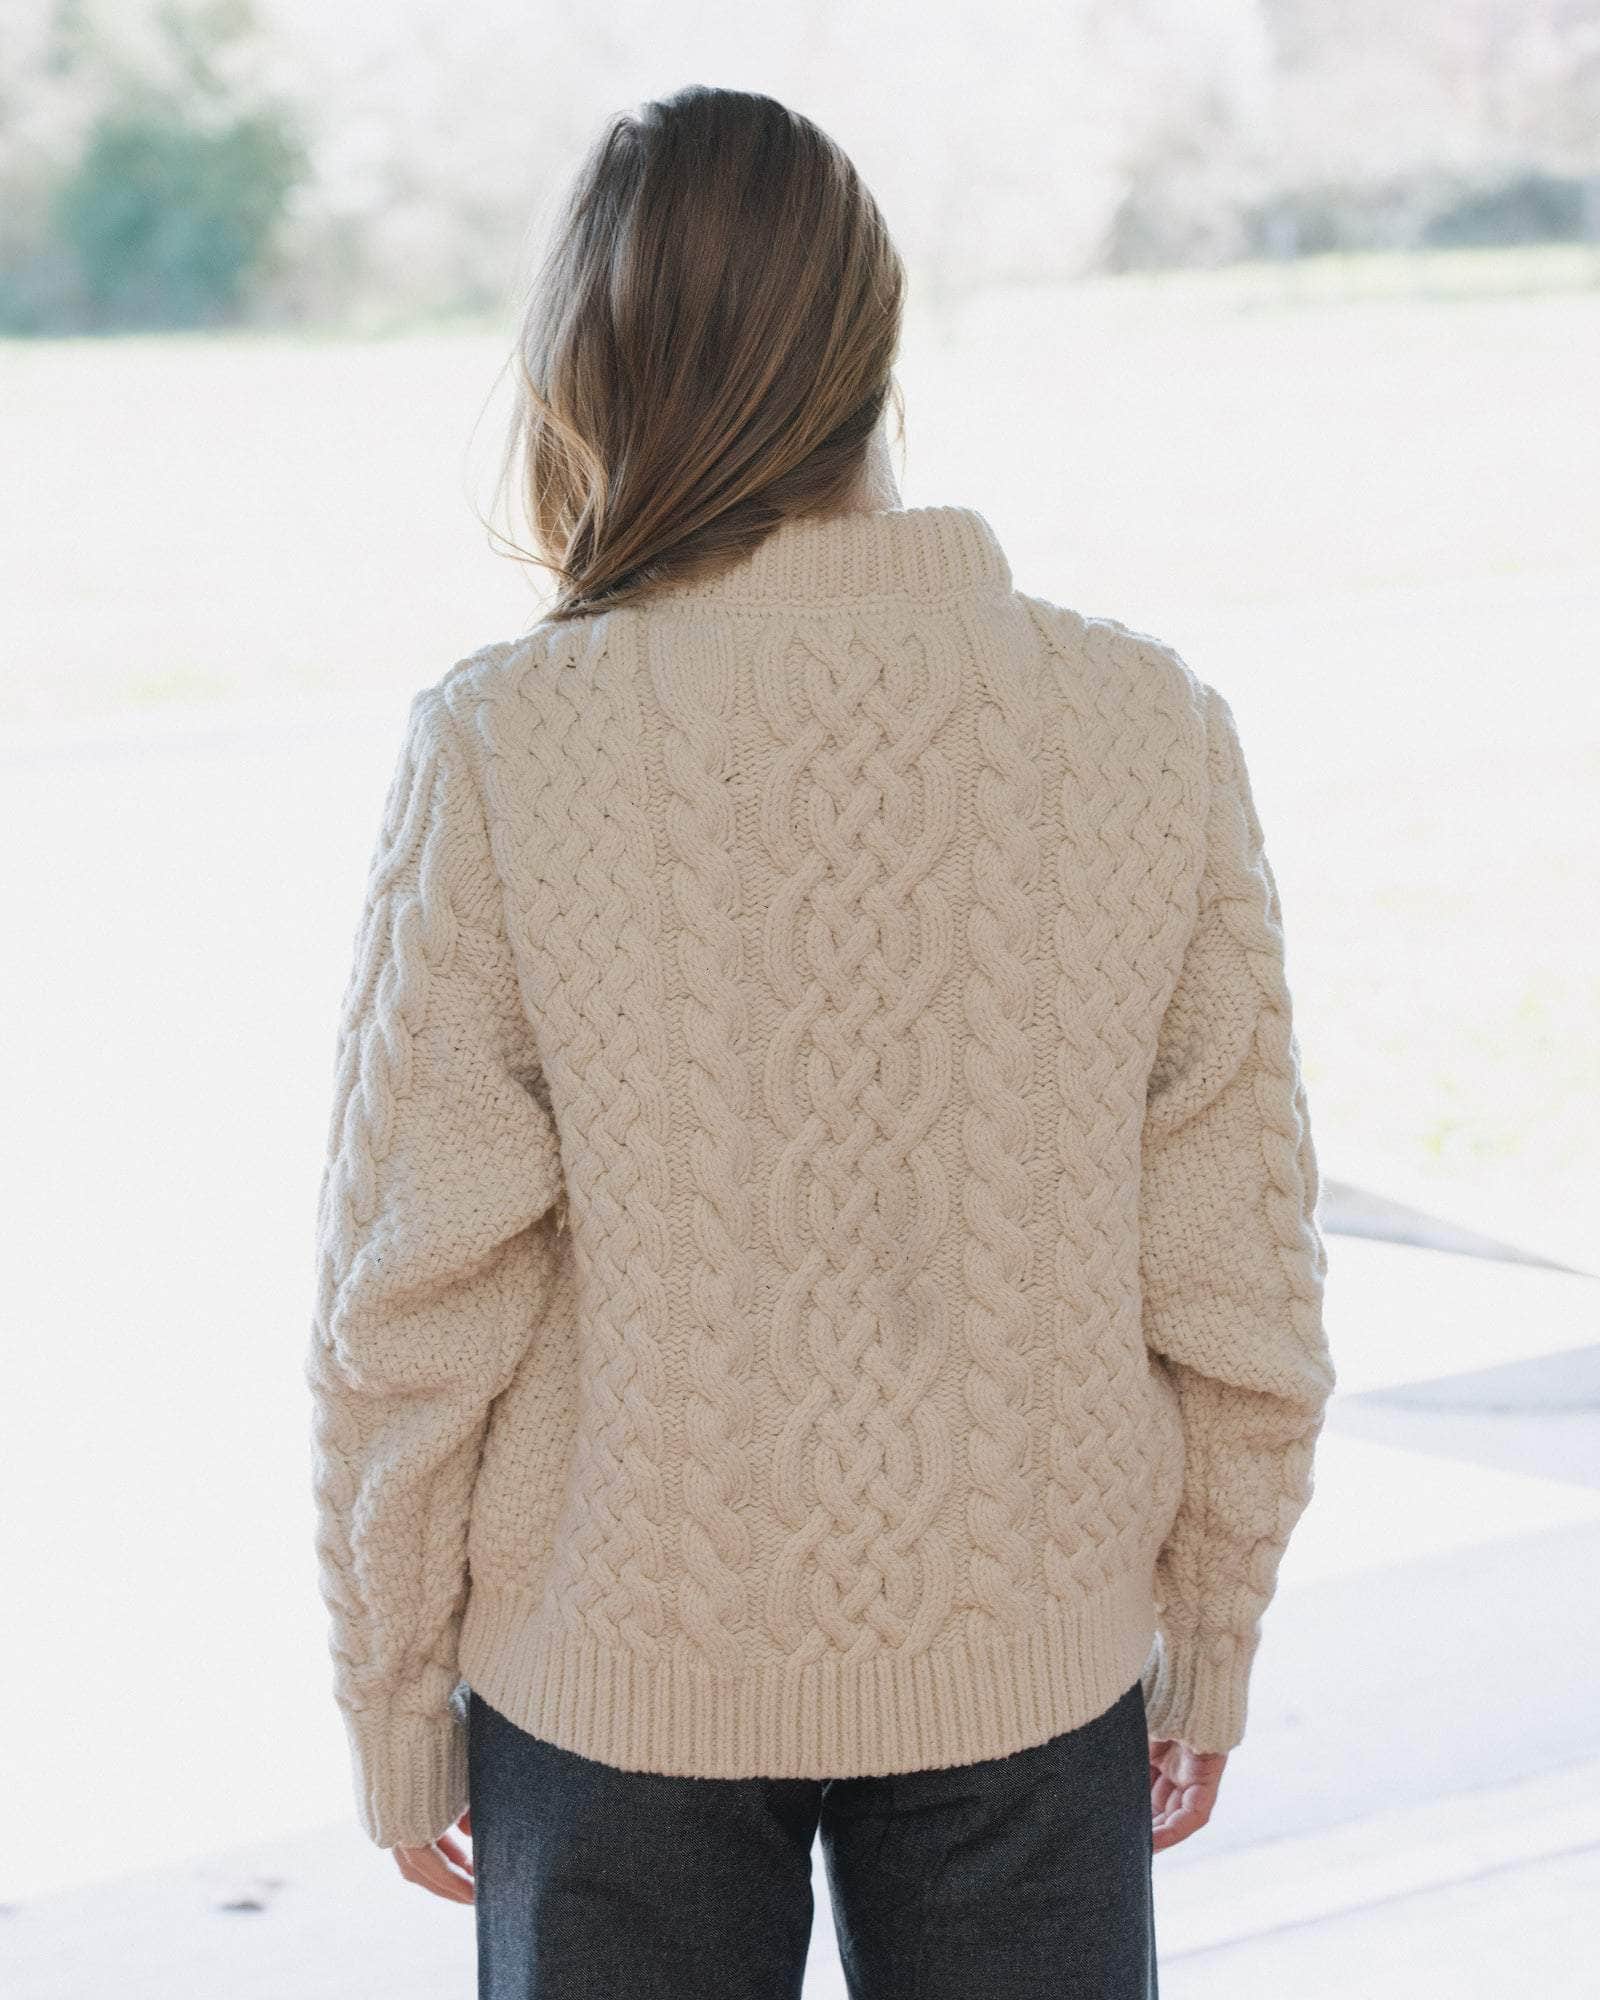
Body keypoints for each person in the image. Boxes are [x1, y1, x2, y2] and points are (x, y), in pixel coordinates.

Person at [304, 83, 1337, 2000]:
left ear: (588, 375)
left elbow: (413, 1291)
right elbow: (1238, 1260)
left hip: (615, 1682)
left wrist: (393, 1686)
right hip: (1031, 1660)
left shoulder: (507, 746)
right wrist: (1212, 1620)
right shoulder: (1143, 724)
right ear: (870, 344)